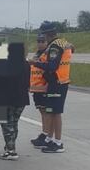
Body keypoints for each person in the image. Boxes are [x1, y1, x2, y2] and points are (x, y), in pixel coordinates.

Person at [29, 21, 72, 153]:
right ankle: (50, 139)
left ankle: (58, 142)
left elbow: (52, 66)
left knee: (55, 113)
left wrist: (35, 63)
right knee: (51, 112)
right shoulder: (62, 43)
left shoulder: (54, 47)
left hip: (57, 82)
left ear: (46, 34)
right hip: (59, 81)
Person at [29, 35, 52, 147]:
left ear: (47, 42)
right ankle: (44, 133)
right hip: (36, 88)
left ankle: (47, 134)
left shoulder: (48, 54)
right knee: (42, 112)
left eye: (42, 41)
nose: (40, 43)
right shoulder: (37, 54)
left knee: (46, 112)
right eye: (38, 41)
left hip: (44, 87)